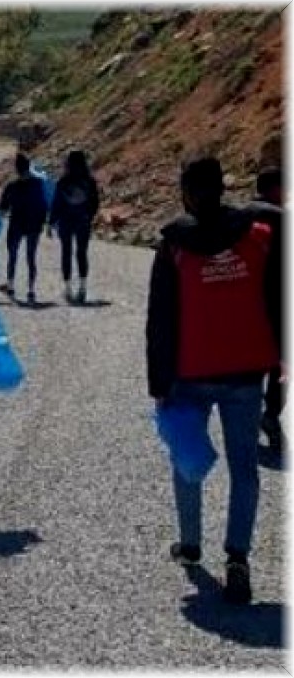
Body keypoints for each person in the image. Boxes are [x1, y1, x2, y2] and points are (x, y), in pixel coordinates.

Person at [147, 156, 281, 606]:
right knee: (245, 469)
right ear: (223, 188)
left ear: (185, 192)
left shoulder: (174, 245)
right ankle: (238, 559)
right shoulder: (259, 237)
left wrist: (158, 382)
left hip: (190, 370)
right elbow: (277, 299)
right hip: (246, 371)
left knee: (187, 457)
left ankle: (190, 544)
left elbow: (160, 321)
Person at [243, 167, 285, 453]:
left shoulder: (237, 216)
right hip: (278, 302)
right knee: (280, 366)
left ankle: (245, 417)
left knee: (249, 365)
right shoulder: (283, 219)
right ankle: (270, 416)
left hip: (244, 303)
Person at [0, 153, 50, 303]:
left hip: (16, 225)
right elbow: (44, 204)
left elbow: (2, 209)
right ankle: (31, 290)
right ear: (29, 167)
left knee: (12, 256)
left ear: (16, 169)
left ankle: (11, 285)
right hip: (34, 225)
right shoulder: (38, 184)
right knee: (31, 257)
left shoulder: (11, 186)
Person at [50, 150, 101, 303]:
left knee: (66, 253)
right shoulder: (90, 181)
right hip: (83, 220)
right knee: (82, 253)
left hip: (66, 221)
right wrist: (89, 215)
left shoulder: (63, 181)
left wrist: (51, 221)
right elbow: (96, 202)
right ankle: (83, 288)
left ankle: (67, 289)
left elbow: (57, 203)